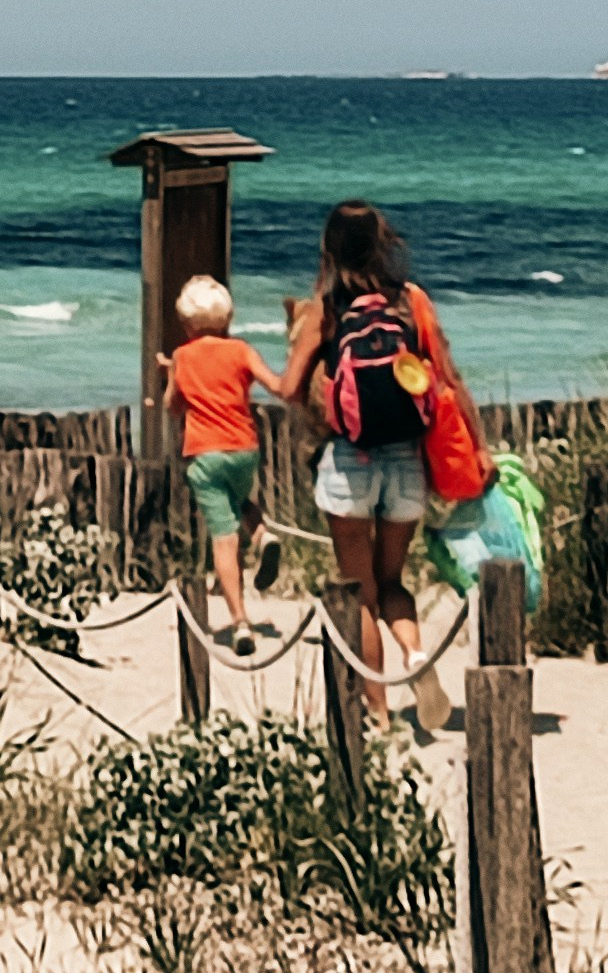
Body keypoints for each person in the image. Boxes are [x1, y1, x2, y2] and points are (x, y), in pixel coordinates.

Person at [279, 200, 486, 727]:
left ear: (329, 249)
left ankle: (378, 711)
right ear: (384, 243)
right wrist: (479, 449)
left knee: (360, 592)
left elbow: (288, 390)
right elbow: (450, 381)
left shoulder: (328, 310)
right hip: (407, 463)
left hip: (350, 462)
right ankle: (415, 658)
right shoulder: (412, 301)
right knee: (393, 583)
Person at [160, 274, 284, 654]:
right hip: (244, 447)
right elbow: (276, 387)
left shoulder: (183, 357)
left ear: (187, 323)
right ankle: (263, 535)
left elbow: (173, 406)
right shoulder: (241, 351)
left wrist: (170, 375)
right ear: (227, 320)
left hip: (205, 452)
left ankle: (239, 621)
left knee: (223, 539)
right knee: (241, 500)